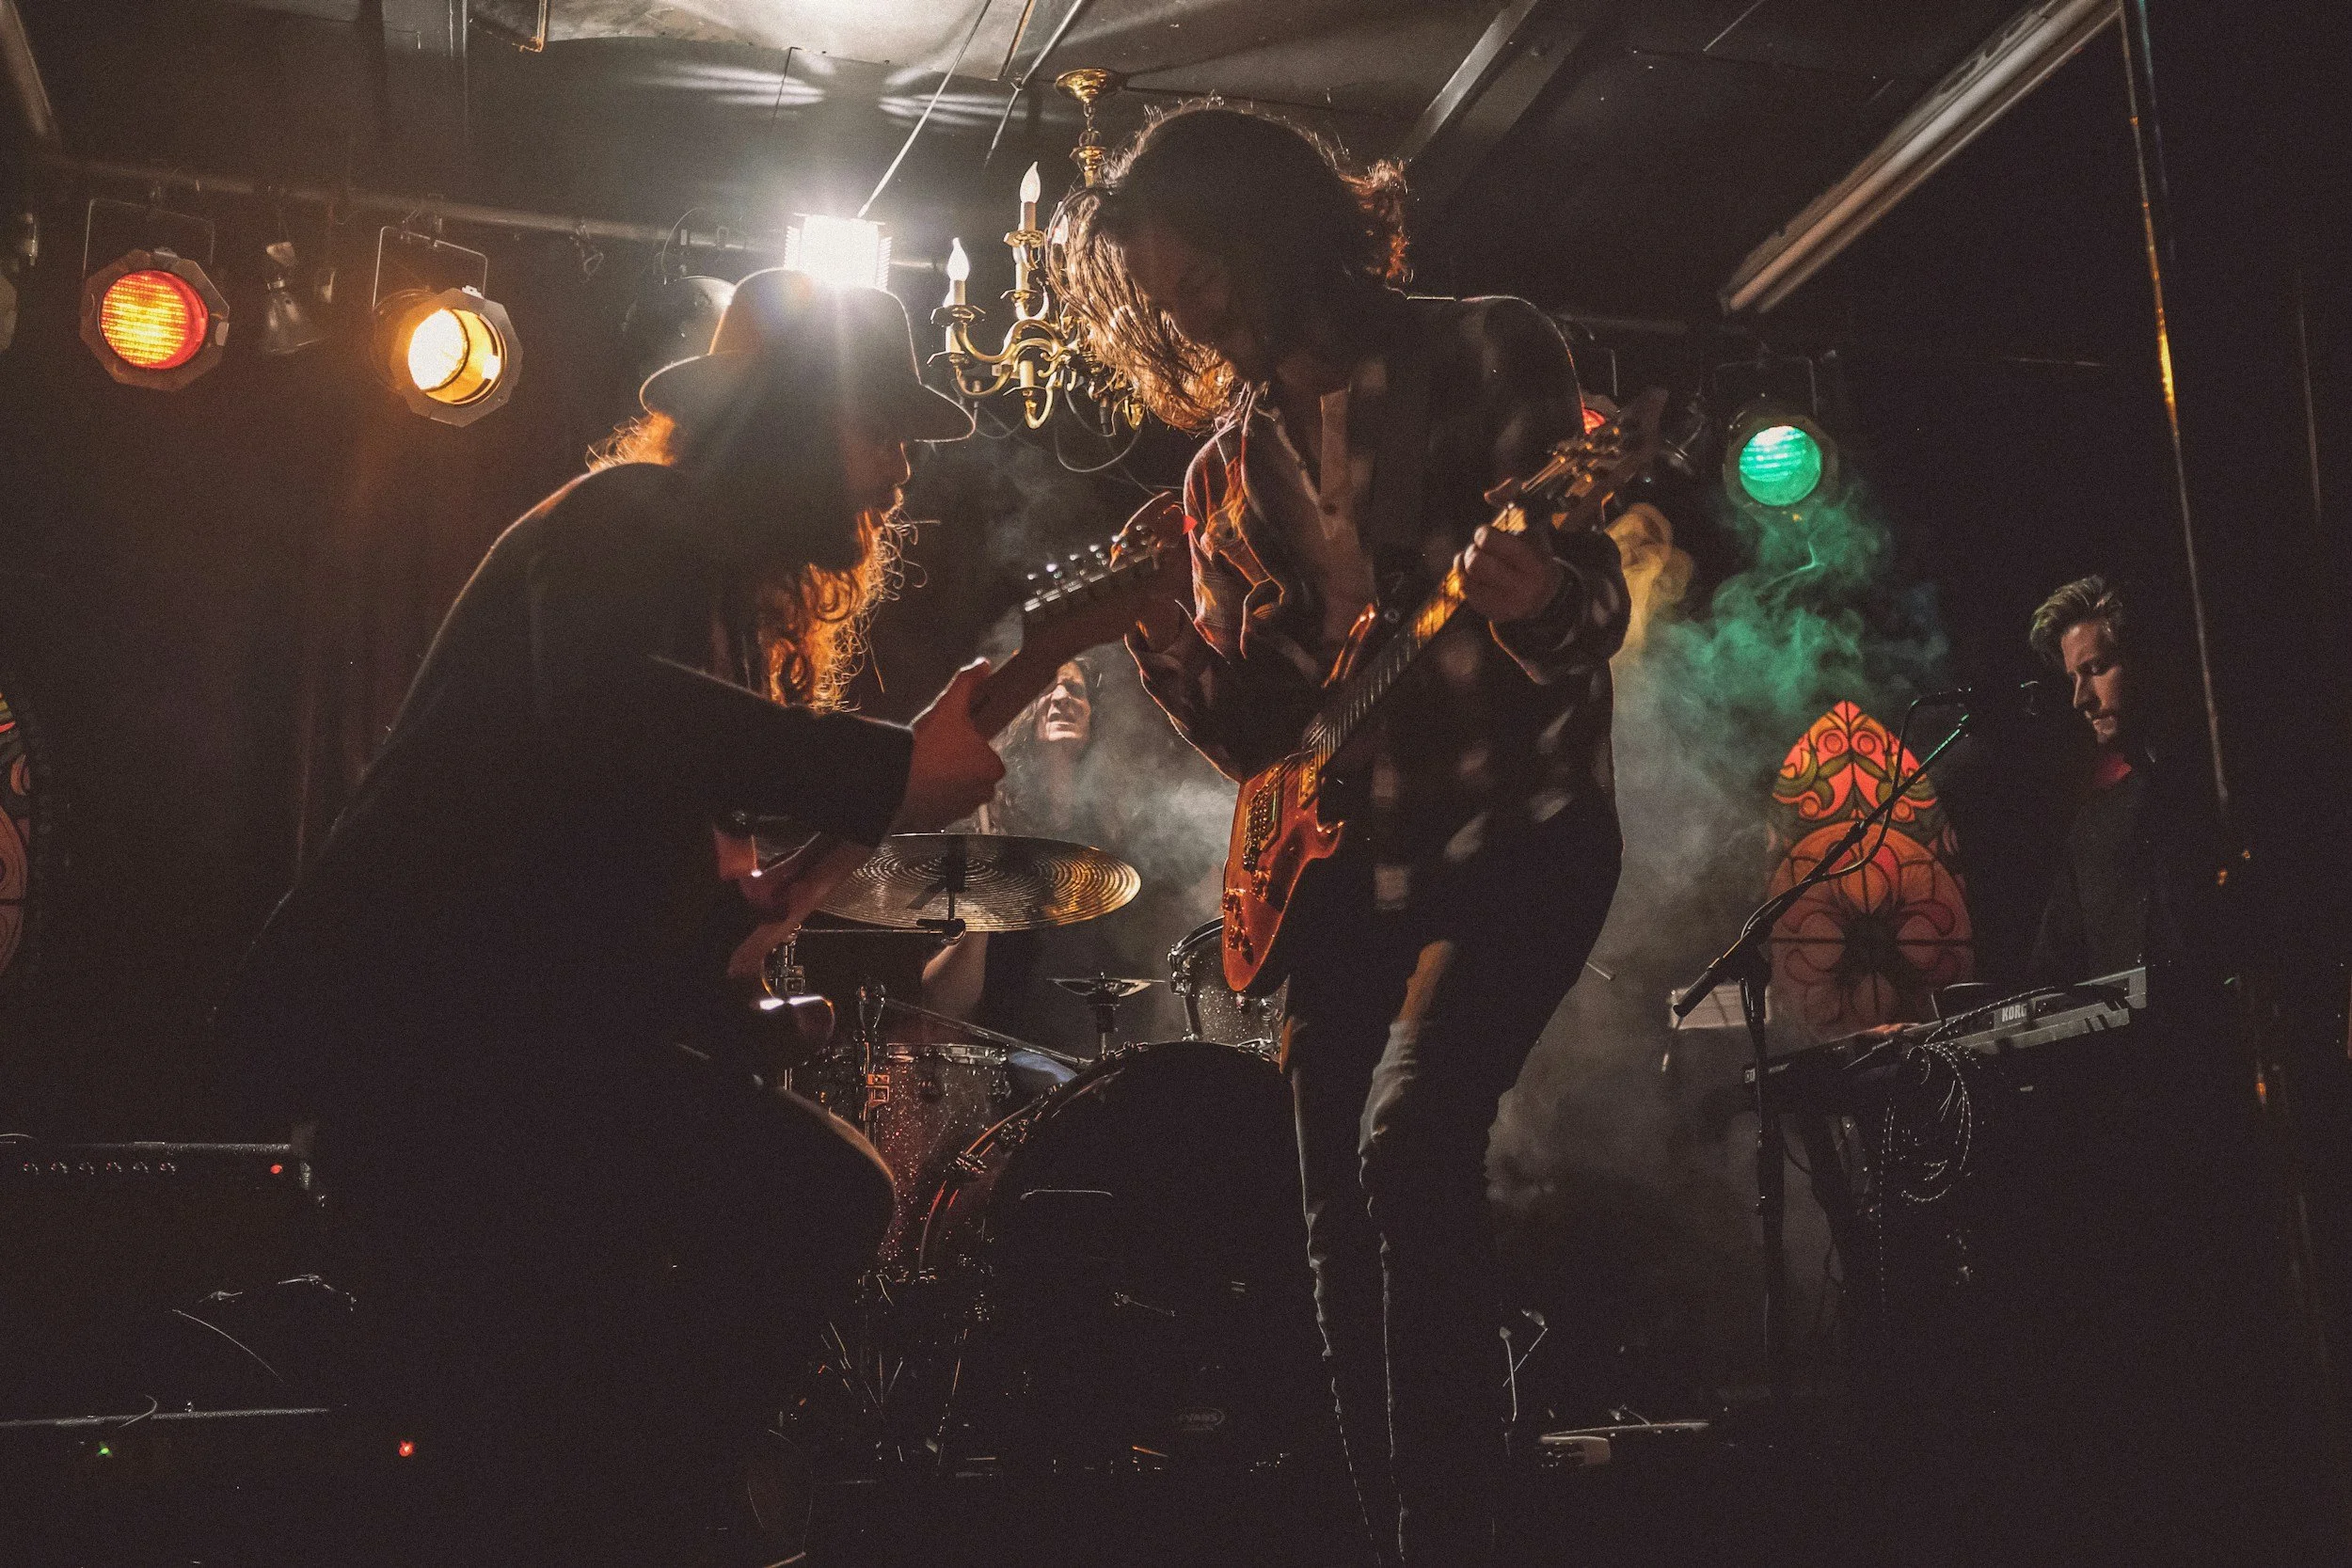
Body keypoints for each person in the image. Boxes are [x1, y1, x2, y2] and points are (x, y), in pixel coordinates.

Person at [218, 272, 1004, 1565]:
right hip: (437, 1057)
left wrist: (745, 918)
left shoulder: (698, 588)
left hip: (514, 1057)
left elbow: (602, 837)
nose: (902, 467)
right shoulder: (627, 516)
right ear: (797, 419)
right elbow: (605, 710)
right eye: (882, 426)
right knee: (816, 1193)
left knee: (575, 1389)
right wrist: (881, 770)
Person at [1060, 105, 1628, 1567]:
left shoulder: (1489, 349)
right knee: (1330, 1238)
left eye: (1202, 282)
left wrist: (1536, 598)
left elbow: (1590, 614)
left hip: (1519, 836)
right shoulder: (1219, 477)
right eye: (1168, 301)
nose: (1196, 322)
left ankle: (1461, 1538)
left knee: (1410, 1143)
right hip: (1339, 883)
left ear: (1273, 230)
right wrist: (1162, 641)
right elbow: (1268, 739)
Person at [2024, 574, 2218, 986]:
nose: (2081, 698)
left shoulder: (2219, 785)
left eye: (2095, 669)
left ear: (2147, 660)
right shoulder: (2093, 828)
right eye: (2073, 677)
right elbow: (2045, 982)